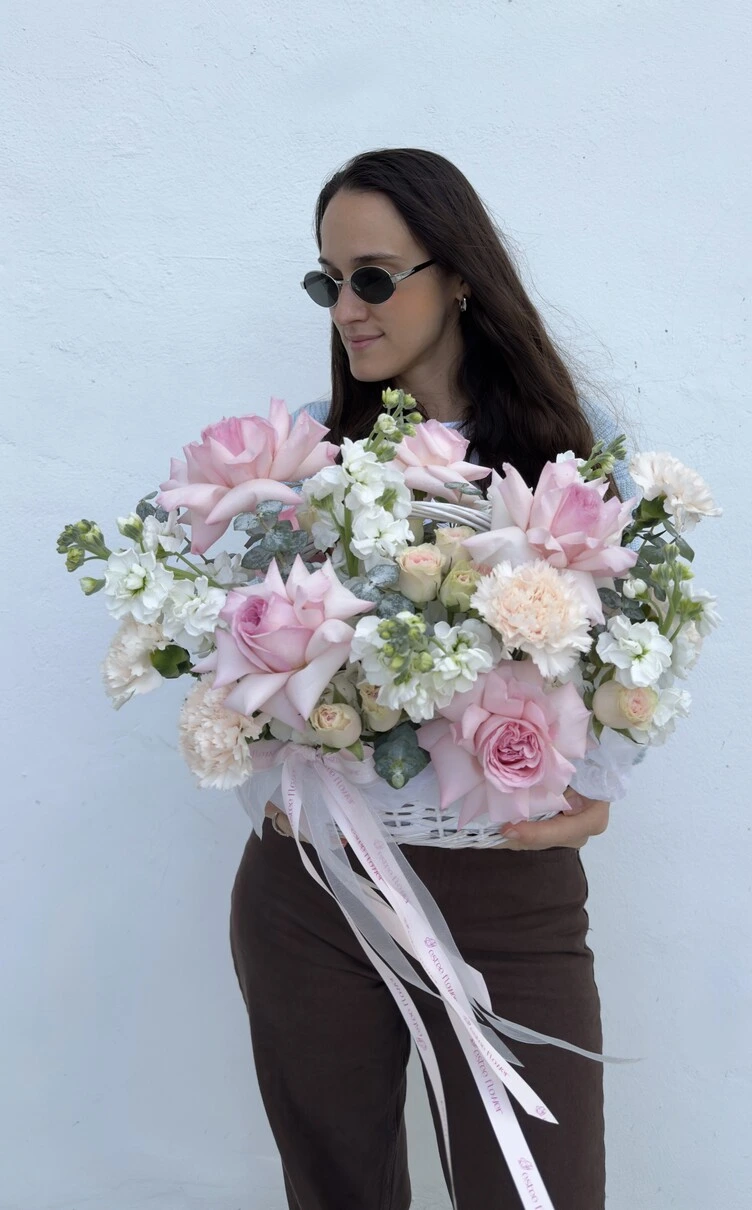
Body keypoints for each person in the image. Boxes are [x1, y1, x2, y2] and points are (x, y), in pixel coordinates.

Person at [229, 147, 644, 1210]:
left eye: (373, 277)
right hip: (316, 896)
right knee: (339, 1192)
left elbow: (639, 644)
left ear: (455, 275)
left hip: (506, 892)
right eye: (329, 282)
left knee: (538, 1191)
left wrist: (604, 776)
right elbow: (239, 654)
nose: (347, 310)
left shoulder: (569, 461)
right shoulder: (309, 468)